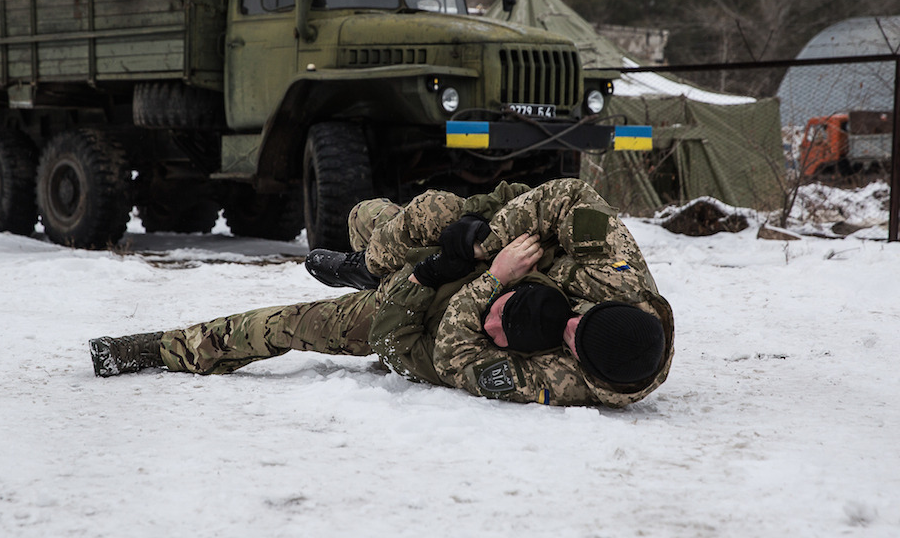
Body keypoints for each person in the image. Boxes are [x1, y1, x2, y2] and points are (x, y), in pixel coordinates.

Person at [90, 179, 674, 408]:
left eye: (570, 341)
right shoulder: (619, 277)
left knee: (287, 324)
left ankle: (155, 348)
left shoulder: (567, 383)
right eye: (580, 319)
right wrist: (482, 244)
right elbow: (568, 197)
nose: (568, 327)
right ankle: (365, 263)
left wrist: (483, 280)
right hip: (473, 258)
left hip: (418, 307)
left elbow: (448, 357)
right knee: (375, 213)